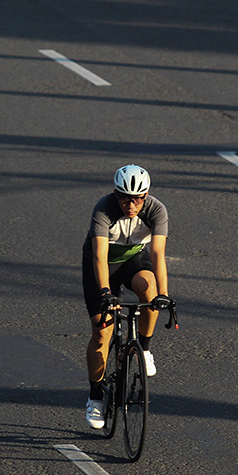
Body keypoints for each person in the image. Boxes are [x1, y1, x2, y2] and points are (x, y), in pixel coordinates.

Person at [82, 164, 173, 429]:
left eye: (137, 199)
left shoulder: (157, 210)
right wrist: (105, 293)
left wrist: (164, 294)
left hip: (133, 260)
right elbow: (99, 256)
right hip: (101, 266)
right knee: (102, 332)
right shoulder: (104, 208)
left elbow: (157, 253)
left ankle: (143, 348)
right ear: (115, 193)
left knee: (150, 290)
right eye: (124, 197)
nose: (130, 205)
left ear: (146, 196)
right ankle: (95, 396)